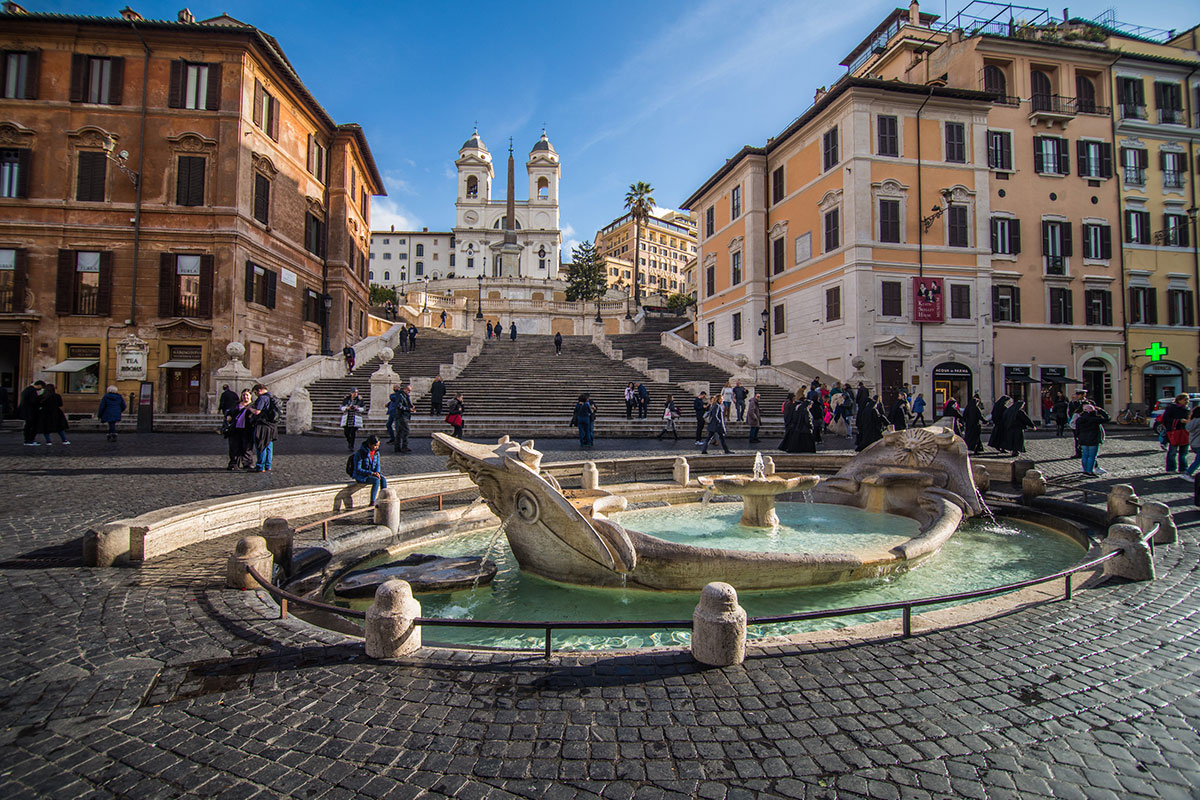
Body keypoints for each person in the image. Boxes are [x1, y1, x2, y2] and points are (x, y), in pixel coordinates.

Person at [248, 383, 279, 472]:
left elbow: (257, 411)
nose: (255, 395)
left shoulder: (262, 398)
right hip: (271, 425)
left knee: (260, 445)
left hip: (262, 425)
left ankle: (260, 466)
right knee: (269, 446)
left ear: (259, 390)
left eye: (255, 393)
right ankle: (268, 465)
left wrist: (249, 409)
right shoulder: (272, 397)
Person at [1075, 404, 1110, 477]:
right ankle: (1089, 471)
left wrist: (1078, 438)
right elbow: (1107, 418)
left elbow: (1077, 430)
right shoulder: (1094, 419)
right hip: (1093, 439)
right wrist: (1101, 410)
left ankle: (1085, 470)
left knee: (1085, 455)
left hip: (1083, 439)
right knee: (1092, 456)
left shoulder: (1079, 419)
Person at [352, 435, 388, 504]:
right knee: (376, 481)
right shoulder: (360, 453)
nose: (377, 447)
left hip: (372, 474)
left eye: (378, 445)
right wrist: (371, 473)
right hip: (362, 476)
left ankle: (384, 498)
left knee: (383, 479)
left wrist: (377, 472)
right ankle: (372, 502)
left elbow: (377, 465)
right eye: (375, 445)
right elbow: (358, 469)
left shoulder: (376, 453)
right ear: (369, 444)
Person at [226, 389, 256, 470]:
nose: (245, 397)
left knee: (246, 447)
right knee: (234, 447)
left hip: (247, 429)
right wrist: (228, 416)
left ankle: (248, 463)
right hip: (235, 429)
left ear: (250, 396)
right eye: (243, 395)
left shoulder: (253, 406)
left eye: (247, 395)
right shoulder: (236, 404)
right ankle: (234, 463)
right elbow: (229, 412)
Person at [1162, 393, 1192, 474]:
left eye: (1188, 400)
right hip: (1174, 432)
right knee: (1172, 452)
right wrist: (1179, 420)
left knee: (1184, 452)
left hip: (1185, 432)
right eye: (1185, 399)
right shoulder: (1172, 408)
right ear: (1179, 400)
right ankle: (1171, 468)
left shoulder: (1187, 409)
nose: (1187, 401)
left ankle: (1183, 468)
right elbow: (1165, 419)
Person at [18, 380, 43, 446]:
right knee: (31, 426)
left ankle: (27, 440)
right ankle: (29, 440)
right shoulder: (32, 391)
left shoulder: (26, 390)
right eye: (41, 387)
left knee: (28, 426)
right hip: (31, 412)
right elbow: (33, 401)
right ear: (39, 385)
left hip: (26, 411)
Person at [392, 384, 414, 453]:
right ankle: (404, 446)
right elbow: (399, 406)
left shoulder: (404, 395)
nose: (409, 392)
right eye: (408, 390)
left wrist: (410, 408)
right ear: (404, 389)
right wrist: (408, 409)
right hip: (402, 416)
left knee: (399, 432)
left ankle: (397, 447)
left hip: (402, 416)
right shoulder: (400, 395)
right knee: (406, 431)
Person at [1067, 391, 1086, 457]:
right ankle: (1078, 453)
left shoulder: (1088, 402)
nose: (1077, 396)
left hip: (1085, 423)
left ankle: (1084, 452)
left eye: (1079, 395)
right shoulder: (1073, 403)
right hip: (1076, 423)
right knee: (1077, 439)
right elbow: (1070, 412)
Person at [1183, 407, 1200, 477]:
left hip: (1194, 444)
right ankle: (1188, 473)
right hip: (1199, 443)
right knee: (1198, 461)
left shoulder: (1192, 421)